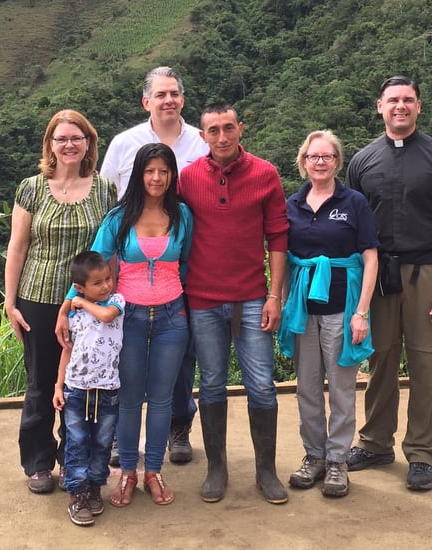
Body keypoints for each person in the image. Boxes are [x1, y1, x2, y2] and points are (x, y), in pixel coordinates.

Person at [345, 76, 432, 491]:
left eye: (408, 100)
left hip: (430, 274)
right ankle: (376, 442)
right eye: (393, 101)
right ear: (379, 107)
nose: (400, 107)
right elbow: (353, 229)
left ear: (419, 107)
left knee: (427, 362)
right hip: (377, 276)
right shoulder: (362, 162)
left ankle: (421, 453)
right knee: (380, 359)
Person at [62, 143, 193, 507]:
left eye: (163, 171)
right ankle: (128, 474)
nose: (156, 178)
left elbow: (186, 265)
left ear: (171, 176)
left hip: (172, 316)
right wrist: (67, 308)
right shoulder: (119, 217)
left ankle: (154, 471)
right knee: (131, 398)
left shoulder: (182, 215)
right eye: (149, 170)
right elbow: (90, 269)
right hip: (127, 318)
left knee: (163, 398)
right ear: (138, 174)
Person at [177, 102, 290, 505]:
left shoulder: (265, 173)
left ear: (241, 128)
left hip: (252, 298)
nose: (222, 137)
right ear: (203, 134)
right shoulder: (188, 178)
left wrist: (275, 295)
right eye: (213, 130)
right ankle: (217, 468)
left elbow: (278, 238)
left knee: (261, 384)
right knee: (210, 383)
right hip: (203, 301)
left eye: (228, 128)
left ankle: (266, 471)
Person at [5, 110, 117, 494]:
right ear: (49, 145)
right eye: (61, 138)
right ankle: (38, 462)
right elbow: (17, 248)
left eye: (77, 137)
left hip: (86, 305)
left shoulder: (104, 189)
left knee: (81, 384)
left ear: (89, 142)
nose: (69, 145)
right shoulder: (32, 187)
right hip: (37, 298)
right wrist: (10, 301)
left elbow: (110, 251)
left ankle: (75, 456)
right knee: (40, 382)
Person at [101, 66, 208, 464]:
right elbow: (109, 198)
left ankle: (179, 426)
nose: (168, 100)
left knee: (181, 360)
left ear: (183, 98)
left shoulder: (201, 142)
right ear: (146, 100)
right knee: (123, 367)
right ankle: (119, 439)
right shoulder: (125, 143)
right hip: (129, 273)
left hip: (184, 263)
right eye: (160, 94)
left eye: (175, 93)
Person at [278, 131, 379, 498]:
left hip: (343, 306)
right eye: (313, 157)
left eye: (327, 156)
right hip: (304, 311)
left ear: (337, 161)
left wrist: (362, 313)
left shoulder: (353, 202)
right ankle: (314, 456)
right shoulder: (293, 204)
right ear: (303, 161)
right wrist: (285, 304)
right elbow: (285, 261)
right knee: (306, 388)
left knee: (340, 389)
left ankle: (337, 461)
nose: (319, 163)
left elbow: (370, 257)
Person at [53, 252, 125, 526]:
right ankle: (77, 493)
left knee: (102, 443)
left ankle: (95, 487)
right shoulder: (74, 316)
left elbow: (107, 316)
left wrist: (79, 301)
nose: (106, 286)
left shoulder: (117, 301)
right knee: (76, 444)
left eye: (108, 278)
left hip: (107, 391)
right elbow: (67, 352)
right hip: (76, 392)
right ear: (80, 286)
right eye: (98, 282)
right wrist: (58, 387)